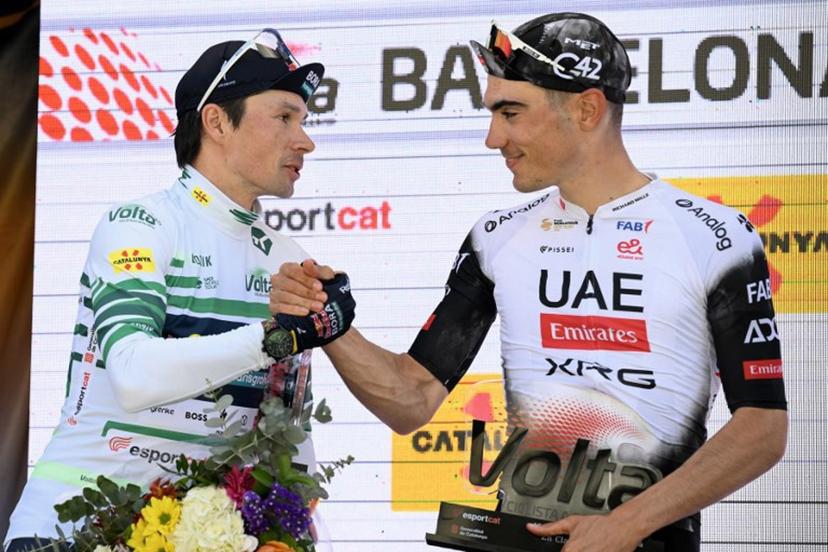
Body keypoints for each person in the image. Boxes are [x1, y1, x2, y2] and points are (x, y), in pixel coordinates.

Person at [270, 12, 788, 552]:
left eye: (511, 112)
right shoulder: (498, 237)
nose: (493, 138)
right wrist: (329, 324)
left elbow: (762, 427)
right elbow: (411, 400)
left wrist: (626, 524)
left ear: (587, 109)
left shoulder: (714, 236)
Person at [5, 28, 353, 551]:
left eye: (303, 121)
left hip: (192, 537)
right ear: (216, 121)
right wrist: (276, 337)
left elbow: (287, 439)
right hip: (67, 531)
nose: (305, 141)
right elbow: (134, 374)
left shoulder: (286, 259)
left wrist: (292, 537)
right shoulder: (138, 226)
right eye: (284, 117)